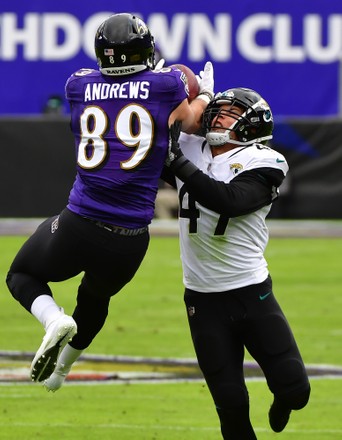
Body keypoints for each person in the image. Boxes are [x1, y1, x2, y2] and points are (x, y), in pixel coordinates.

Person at [6, 13, 214, 392]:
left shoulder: (78, 85)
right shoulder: (165, 86)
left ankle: (53, 320)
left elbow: (115, 88)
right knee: (95, 298)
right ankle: (61, 374)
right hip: (131, 238)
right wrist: (201, 95)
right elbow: (193, 122)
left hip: (80, 223)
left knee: (20, 275)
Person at [163, 88, 311, 439]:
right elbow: (147, 137)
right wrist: (177, 93)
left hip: (250, 293)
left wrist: (174, 159)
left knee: (296, 391)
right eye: (217, 111)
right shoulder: (188, 148)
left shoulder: (265, 160)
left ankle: (283, 399)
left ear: (251, 124)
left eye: (229, 113)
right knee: (231, 411)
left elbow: (230, 201)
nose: (217, 118)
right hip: (201, 298)